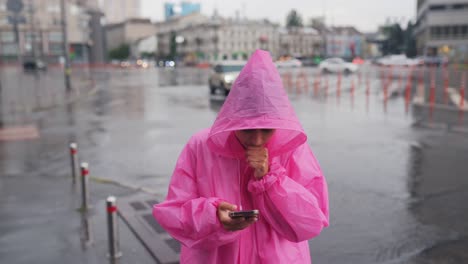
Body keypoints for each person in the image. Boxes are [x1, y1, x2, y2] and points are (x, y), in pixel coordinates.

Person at [153, 49, 329, 263]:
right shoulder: (201, 146)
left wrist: (271, 181)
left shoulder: (293, 148)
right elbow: (174, 212)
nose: (256, 140)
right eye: (246, 129)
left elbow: (311, 221)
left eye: (267, 130)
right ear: (232, 119)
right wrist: (212, 217)